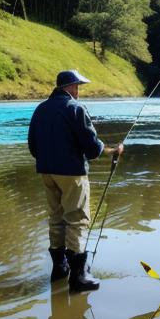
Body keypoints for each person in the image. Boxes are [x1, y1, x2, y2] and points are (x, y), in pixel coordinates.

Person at [28, 70, 123, 292]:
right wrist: (114, 150)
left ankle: (59, 269)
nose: (79, 91)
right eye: (77, 86)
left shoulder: (40, 109)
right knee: (77, 219)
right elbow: (92, 149)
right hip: (72, 173)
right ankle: (78, 277)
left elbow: (33, 146)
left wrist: (48, 161)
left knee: (56, 218)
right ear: (69, 87)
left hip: (46, 172)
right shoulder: (76, 108)